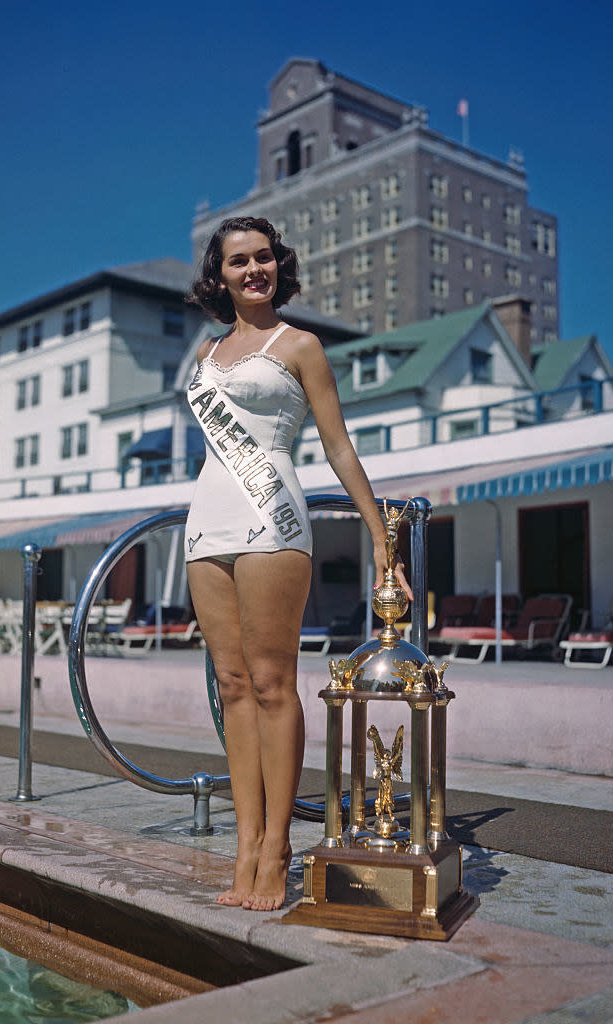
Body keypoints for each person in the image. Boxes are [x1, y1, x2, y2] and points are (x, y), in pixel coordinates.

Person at [185, 216, 411, 911]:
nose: (254, 270)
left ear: (277, 265)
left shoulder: (301, 346)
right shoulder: (206, 350)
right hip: (207, 520)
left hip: (271, 517)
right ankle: (244, 846)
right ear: (217, 275)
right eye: (238, 261)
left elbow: (338, 446)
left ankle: (277, 847)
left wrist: (381, 538)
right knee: (231, 685)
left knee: (272, 683)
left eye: (263, 258)